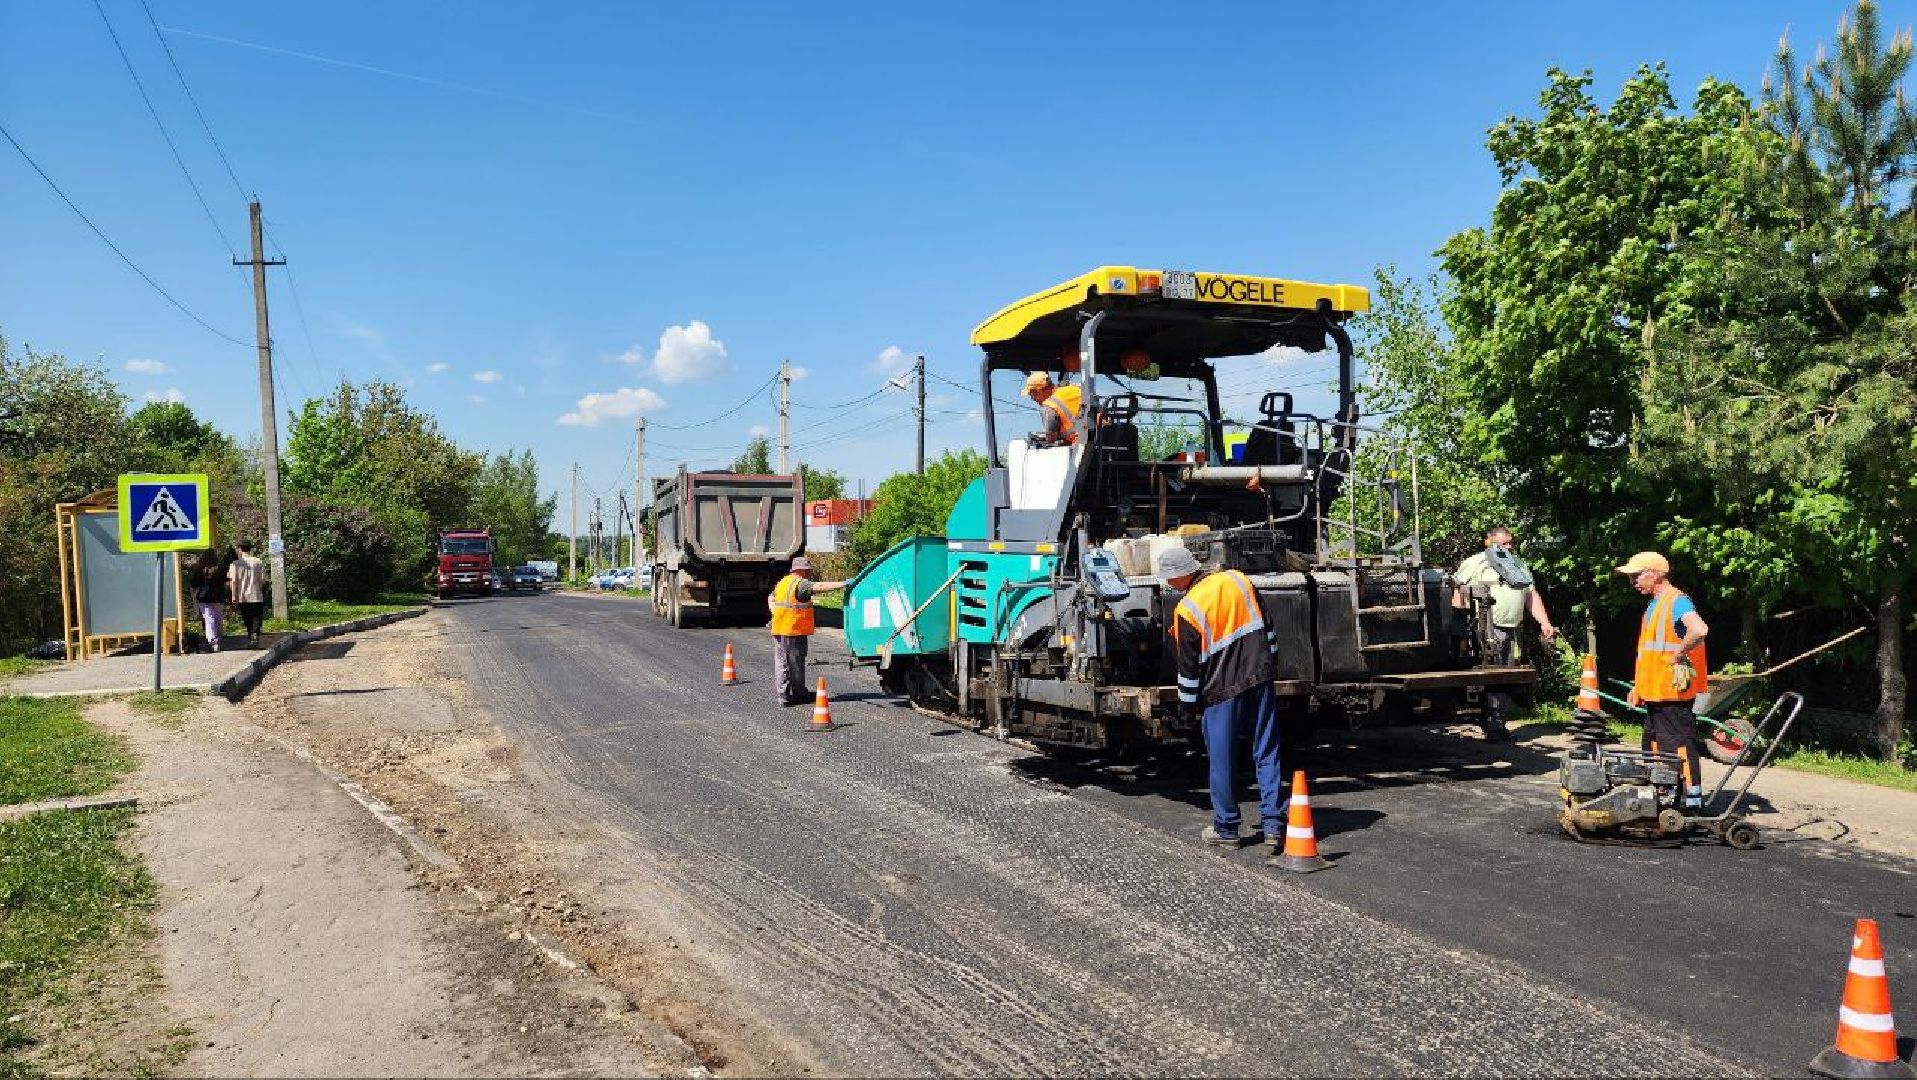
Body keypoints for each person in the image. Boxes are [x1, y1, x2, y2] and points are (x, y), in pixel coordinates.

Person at [1157, 545, 1285, 848]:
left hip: (1221, 691)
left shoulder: (1187, 610)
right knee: (1266, 750)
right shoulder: (1239, 581)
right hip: (1260, 676)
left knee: (1222, 759)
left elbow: (1188, 670)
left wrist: (1186, 710)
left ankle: (1227, 830)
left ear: (1177, 578)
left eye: (1167, 580)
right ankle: (1274, 827)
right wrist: (1271, 666)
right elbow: (1269, 631)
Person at [1617, 551, 1710, 811]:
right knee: (1654, 745)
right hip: (1655, 691)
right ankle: (1664, 792)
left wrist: (1679, 654)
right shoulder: (1654, 604)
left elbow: (1699, 629)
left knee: (1677, 744)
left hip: (1672, 692)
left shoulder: (1676, 601)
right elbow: (1649, 652)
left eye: (1637, 575)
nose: (1633, 581)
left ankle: (1691, 798)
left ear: (1656, 573)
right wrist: (1639, 686)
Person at [1452, 526, 1557, 740]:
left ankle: (1496, 721)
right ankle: (1494, 725)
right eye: (1504, 544)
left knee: (1506, 676)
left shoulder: (1518, 565)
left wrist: (1545, 622)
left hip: (1511, 629)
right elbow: (1457, 592)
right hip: (1484, 630)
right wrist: (1461, 629)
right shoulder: (1476, 562)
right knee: (1495, 676)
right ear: (1490, 543)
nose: (1509, 547)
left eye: (1511, 543)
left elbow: (1530, 595)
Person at [768, 556, 847, 707]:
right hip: (793, 631)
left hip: (779, 629)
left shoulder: (783, 582)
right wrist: (843, 584)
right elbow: (820, 586)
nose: (809, 573)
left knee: (781, 662)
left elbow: (770, 598)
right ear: (802, 570)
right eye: (808, 570)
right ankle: (799, 695)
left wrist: (775, 613)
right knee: (796, 663)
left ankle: (783, 696)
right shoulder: (800, 583)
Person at [1020, 372, 1080, 448]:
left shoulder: (1049, 406)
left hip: (1081, 448)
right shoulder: (1073, 389)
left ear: (1039, 391)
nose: (1033, 399)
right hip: (1097, 440)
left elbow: (1051, 441)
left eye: (1032, 395)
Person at [227, 540, 268, 648]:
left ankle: (251, 638)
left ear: (240, 549)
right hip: (256, 595)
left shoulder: (235, 564)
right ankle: (255, 636)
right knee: (256, 618)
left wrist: (233, 596)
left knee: (247, 619)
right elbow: (263, 580)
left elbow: (233, 581)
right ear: (250, 549)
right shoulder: (258, 562)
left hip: (242, 597)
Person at [191, 550, 228, 652]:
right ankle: (218, 638)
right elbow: (225, 581)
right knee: (218, 618)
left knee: (209, 618)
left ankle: (213, 641)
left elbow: (193, 584)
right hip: (217, 597)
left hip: (203, 598)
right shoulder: (221, 568)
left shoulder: (198, 569)